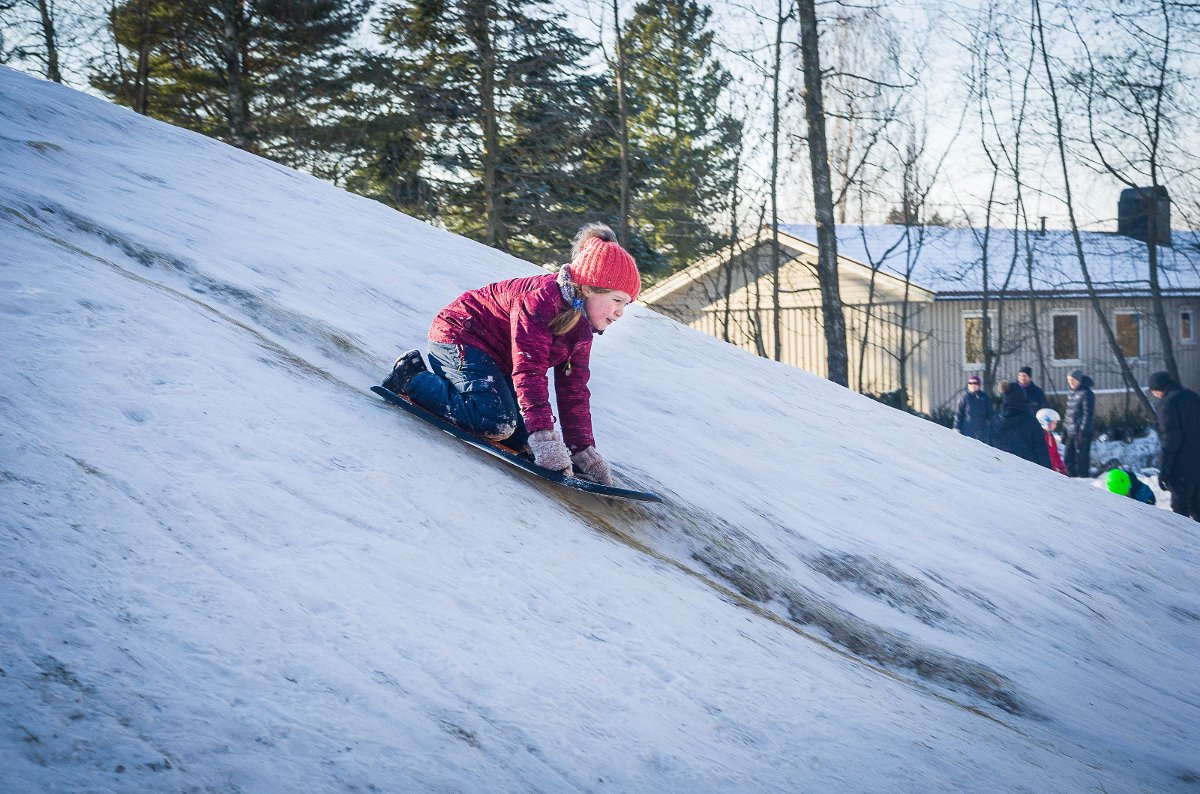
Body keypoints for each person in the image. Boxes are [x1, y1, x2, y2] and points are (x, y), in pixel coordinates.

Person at [382, 223, 640, 485]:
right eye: (617, 300)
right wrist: (544, 439)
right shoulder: (541, 300)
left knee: (521, 437)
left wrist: (583, 452)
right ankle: (411, 376)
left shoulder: (582, 327)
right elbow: (530, 371)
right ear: (588, 288)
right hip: (458, 337)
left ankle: (471, 393)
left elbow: (573, 390)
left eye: (626, 304)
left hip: (496, 362)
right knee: (495, 422)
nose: (620, 312)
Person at [1147, 371, 1200, 521]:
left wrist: (1164, 470)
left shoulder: (1167, 404)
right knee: (1197, 507)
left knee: (1181, 511)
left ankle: (1184, 537)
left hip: (1181, 467)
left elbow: (1171, 440)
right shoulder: (1193, 397)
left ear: (1157, 389)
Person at [990, 381, 1052, 468]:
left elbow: (990, 446)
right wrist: (1047, 470)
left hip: (1003, 468)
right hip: (1029, 468)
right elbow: (1040, 448)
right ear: (1022, 397)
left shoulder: (997, 420)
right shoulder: (1030, 420)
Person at [1061, 368, 1095, 477]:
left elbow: (1088, 414)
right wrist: (1064, 430)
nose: (1071, 382)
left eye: (1073, 380)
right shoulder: (1071, 392)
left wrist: (1082, 432)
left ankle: (1083, 479)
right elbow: (1068, 413)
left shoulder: (1087, 393)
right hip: (1070, 431)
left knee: (1082, 460)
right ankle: (1071, 479)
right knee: (1068, 459)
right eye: (1069, 380)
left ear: (1079, 380)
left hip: (1082, 432)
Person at [954, 374, 993, 442]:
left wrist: (993, 426)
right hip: (968, 430)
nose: (973, 385)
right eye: (970, 383)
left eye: (975, 383)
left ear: (979, 385)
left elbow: (990, 413)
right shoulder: (965, 397)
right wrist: (956, 427)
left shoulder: (984, 397)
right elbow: (959, 414)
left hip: (982, 430)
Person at [1035, 408, 1067, 475]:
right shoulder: (1041, 436)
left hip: (1052, 471)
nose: (1055, 425)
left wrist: (1062, 469)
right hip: (1043, 471)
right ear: (1045, 421)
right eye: (1053, 423)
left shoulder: (1050, 436)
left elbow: (1056, 454)